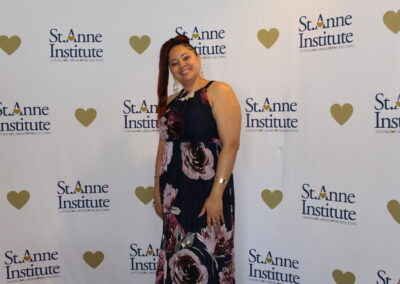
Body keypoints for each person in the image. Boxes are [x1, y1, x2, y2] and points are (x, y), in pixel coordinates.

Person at [153, 35, 241, 284]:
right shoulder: (169, 102)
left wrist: (216, 194)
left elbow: (231, 145)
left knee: (207, 256)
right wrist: (157, 189)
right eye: (173, 63)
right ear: (169, 70)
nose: (181, 65)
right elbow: (162, 147)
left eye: (186, 57)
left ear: (198, 58)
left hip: (208, 191)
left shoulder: (218, 91)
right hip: (174, 191)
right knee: (177, 257)